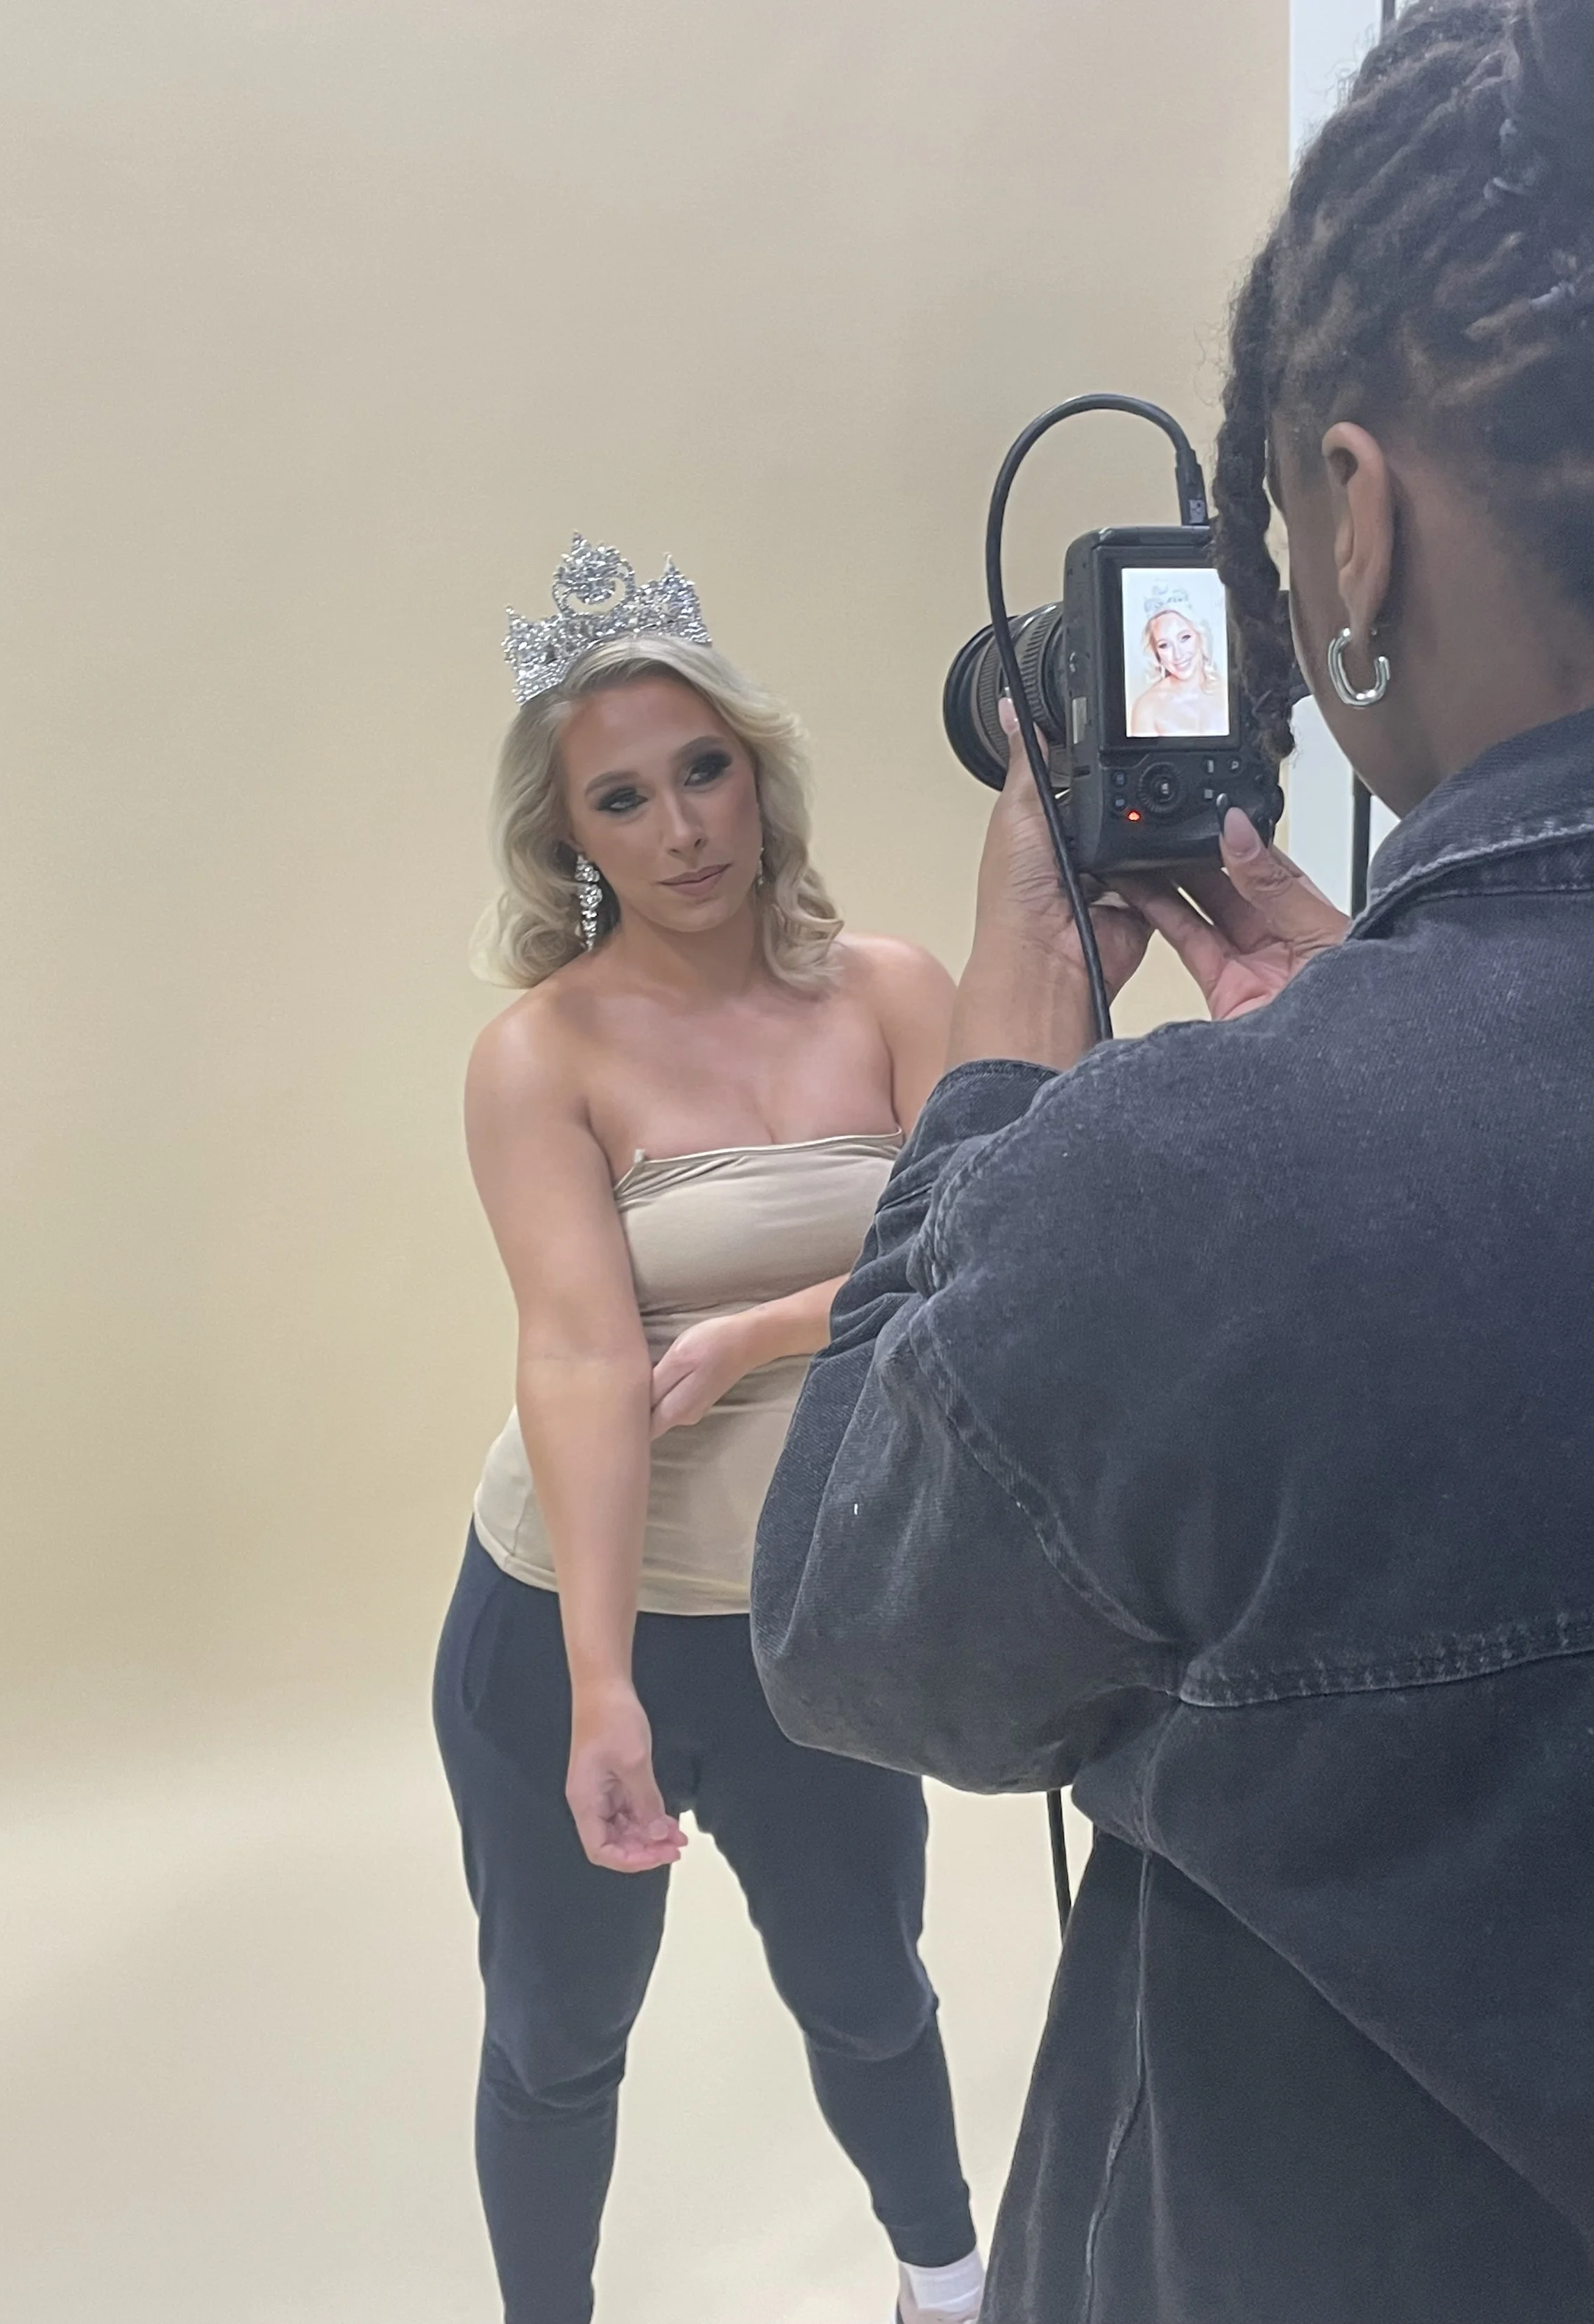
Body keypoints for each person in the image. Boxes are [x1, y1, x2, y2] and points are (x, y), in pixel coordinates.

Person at [752, 3, 1594, 2318]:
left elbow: (855, 1631)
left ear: (1355, 527)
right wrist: (1365, 1053)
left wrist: (1007, 1074)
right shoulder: (1256, 1182)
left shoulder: (1193, 1205)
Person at [432, 540, 985, 2324]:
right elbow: (582, 1360)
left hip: (814, 1612)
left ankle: (949, 2285)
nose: (679, 828)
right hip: (570, 1622)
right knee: (556, 2036)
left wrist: (760, 1328)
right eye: (622, 798)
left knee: (870, 1991)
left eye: (703, 769)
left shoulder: (890, 989)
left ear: (759, 771)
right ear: (566, 840)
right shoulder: (542, 1054)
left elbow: (983, 1245)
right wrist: (602, 1688)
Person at [1128, 595, 1229, 735]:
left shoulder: (1229, 693)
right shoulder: (1147, 708)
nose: (1178, 655)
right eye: (1164, 645)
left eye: (1185, 638)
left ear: (1201, 637)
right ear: (1156, 653)